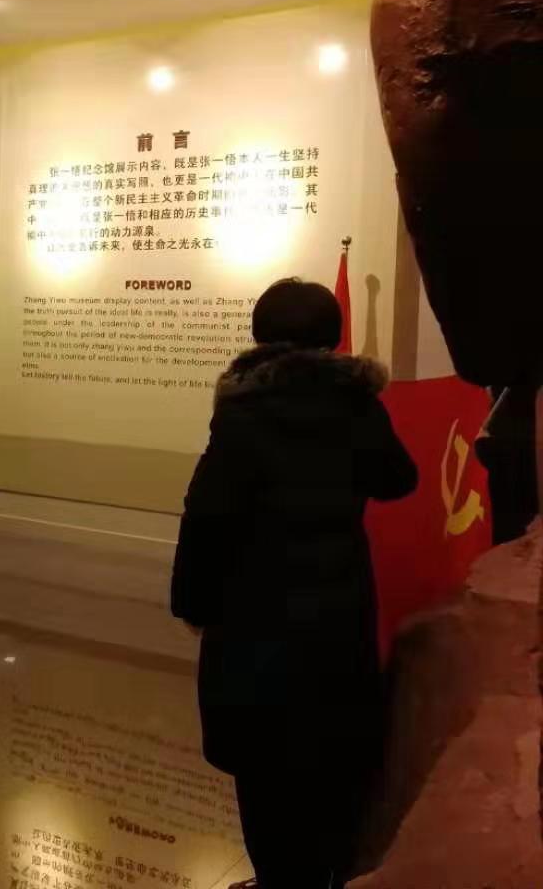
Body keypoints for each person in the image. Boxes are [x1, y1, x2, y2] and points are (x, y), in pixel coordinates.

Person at [169, 279, 417, 889]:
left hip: (256, 615)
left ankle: (280, 879)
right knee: (333, 755)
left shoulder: (244, 411)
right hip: (337, 608)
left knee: (264, 765)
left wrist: (193, 601)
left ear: (261, 335)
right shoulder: (356, 404)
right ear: (332, 335)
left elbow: (208, 516)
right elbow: (398, 479)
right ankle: (329, 874)